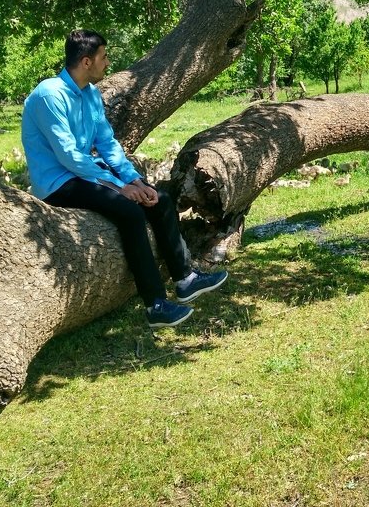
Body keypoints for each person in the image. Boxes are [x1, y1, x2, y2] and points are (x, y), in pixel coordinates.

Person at [22, 29, 227, 329]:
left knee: (160, 200)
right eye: (104, 57)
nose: (108, 63)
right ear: (87, 61)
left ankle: (186, 279)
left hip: (86, 173)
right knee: (129, 211)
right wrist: (118, 186)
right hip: (57, 183)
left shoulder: (90, 95)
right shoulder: (48, 95)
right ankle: (155, 304)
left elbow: (107, 144)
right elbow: (68, 157)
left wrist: (137, 181)